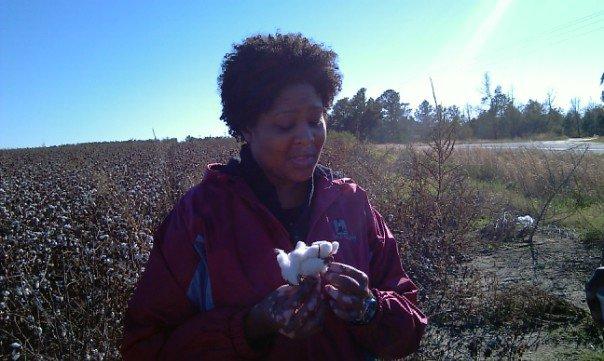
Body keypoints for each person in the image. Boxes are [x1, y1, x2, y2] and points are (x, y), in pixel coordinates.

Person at [121, 33, 427, 360]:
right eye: (284, 125)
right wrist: (252, 326)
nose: (307, 138)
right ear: (247, 127)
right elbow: (145, 347)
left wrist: (369, 309)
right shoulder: (200, 218)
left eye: (315, 120)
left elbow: (409, 330)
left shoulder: (351, 203)